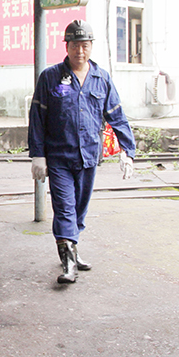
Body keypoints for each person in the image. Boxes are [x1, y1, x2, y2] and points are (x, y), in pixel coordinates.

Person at [28, 20, 135, 284]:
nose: (80, 51)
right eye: (75, 45)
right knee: (64, 208)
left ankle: (72, 251)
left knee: (79, 209)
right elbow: (38, 118)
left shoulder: (101, 78)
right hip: (59, 157)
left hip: (88, 156)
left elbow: (116, 115)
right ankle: (68, 265)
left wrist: (127, 150)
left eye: (85, 45)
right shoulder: (51, 77)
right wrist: (38, 155)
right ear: (66, 46)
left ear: (91, 47)